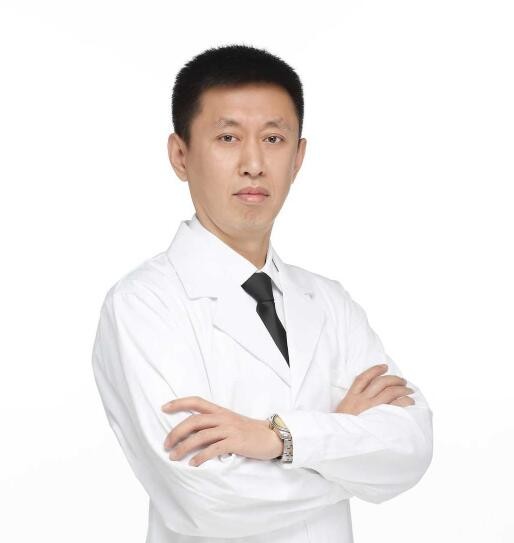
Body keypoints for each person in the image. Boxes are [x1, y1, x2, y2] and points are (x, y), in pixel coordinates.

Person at [91, 44, 433, 543]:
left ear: (298, 158)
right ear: (180, 155)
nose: (253, 163)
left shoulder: (330, 302)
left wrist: (275, 438)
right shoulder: (144, 305)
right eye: (228, 137)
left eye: (273, 139)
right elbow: (203, 501)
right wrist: (339, 445)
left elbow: (410, 448)